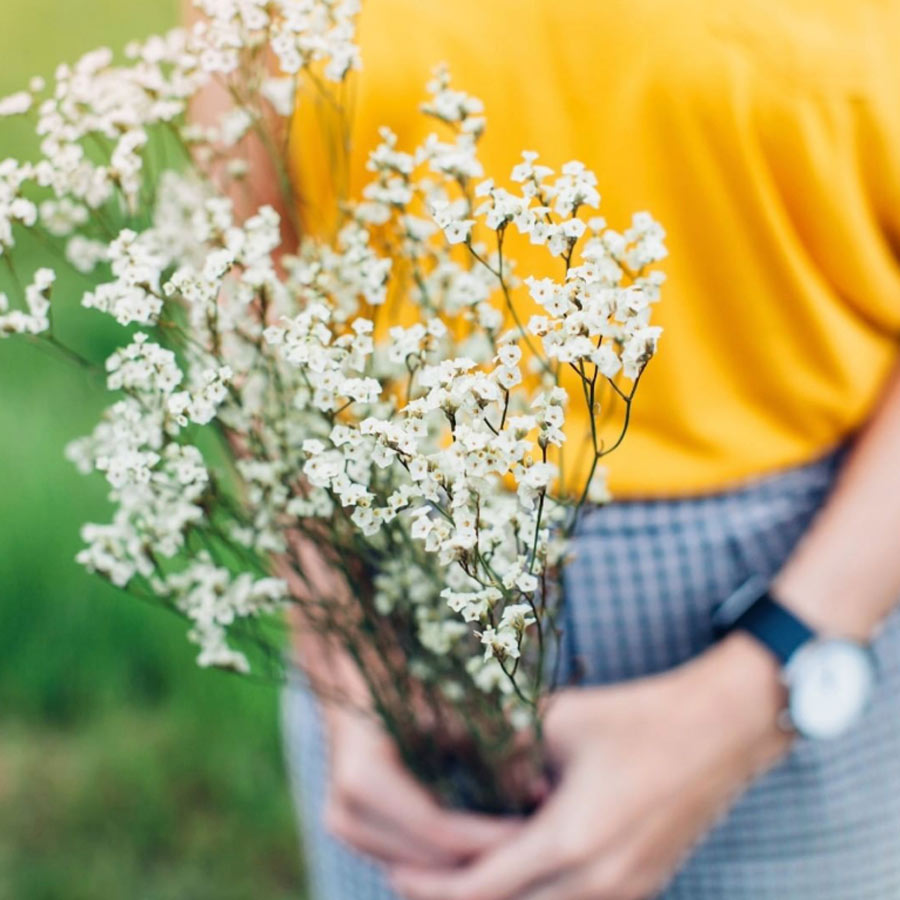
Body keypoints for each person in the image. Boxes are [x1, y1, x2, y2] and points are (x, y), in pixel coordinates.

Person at [268, 1, 900, 897]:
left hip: (825, 587)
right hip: (400, 645)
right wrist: (340, 654)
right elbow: (249, 268)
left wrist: (767, 681)